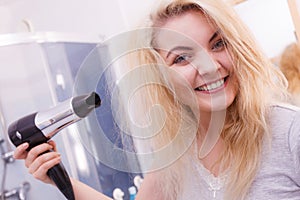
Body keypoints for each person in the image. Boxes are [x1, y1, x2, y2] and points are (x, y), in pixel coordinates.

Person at [13, 0, 300, 199]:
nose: (210, 66)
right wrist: (59, 179)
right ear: (161, 76)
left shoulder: (290, 132)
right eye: (182, 58)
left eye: (218, 43)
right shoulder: (176, 156)